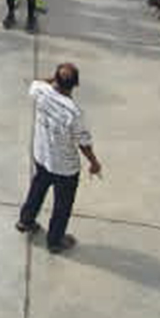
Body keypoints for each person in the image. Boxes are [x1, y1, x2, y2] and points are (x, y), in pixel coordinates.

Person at [16, 62, 100, 254]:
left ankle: (26, 220)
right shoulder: (73, 112)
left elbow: (37, 81)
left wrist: (52, 81)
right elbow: (83, 142)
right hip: (65, 167)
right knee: (62, 205)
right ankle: (55, 240)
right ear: (75, 85)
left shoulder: (40, 90)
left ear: (55, 79)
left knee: (38, 187)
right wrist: (94, 162)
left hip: (42, 155)